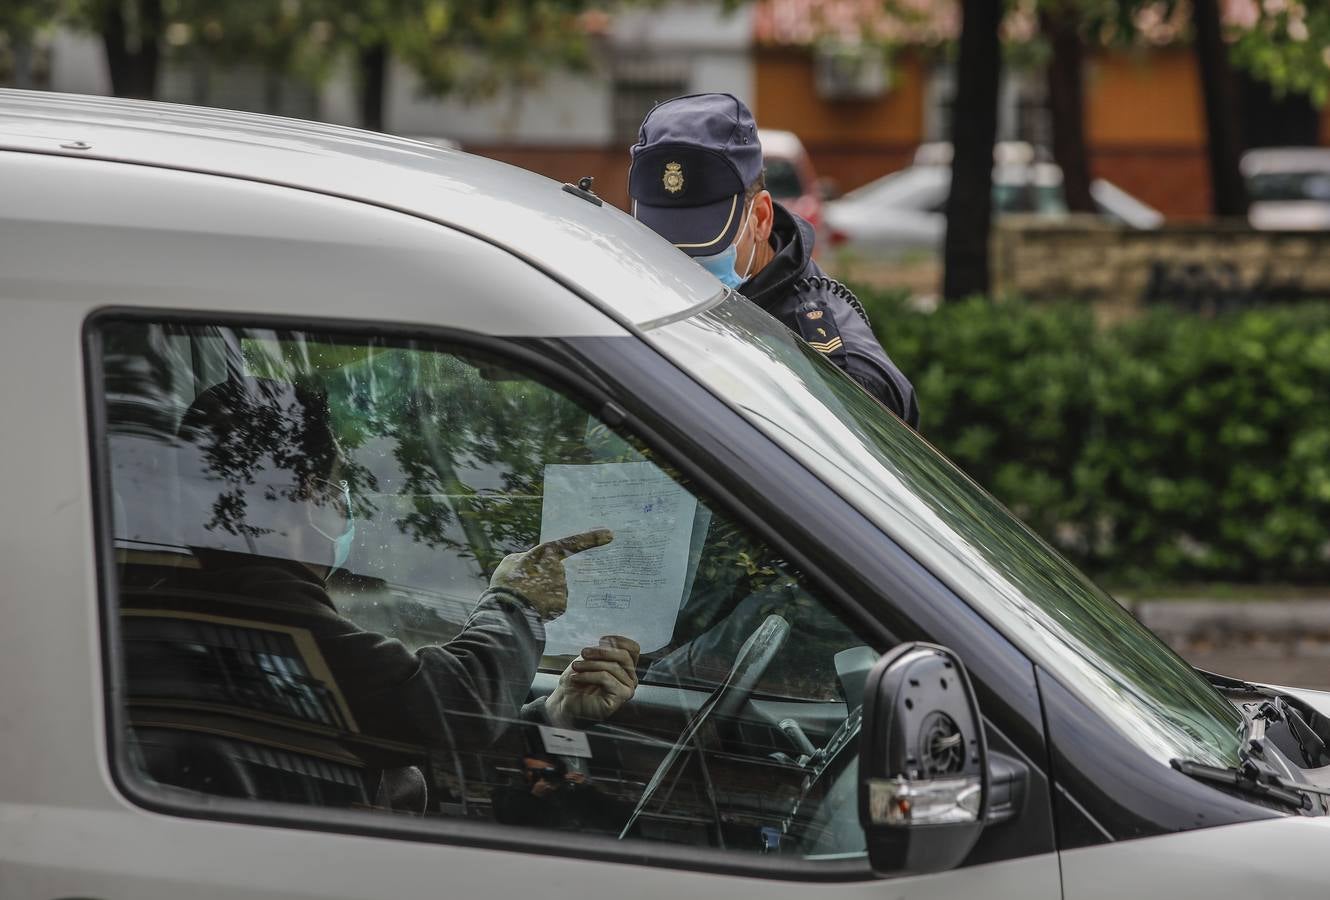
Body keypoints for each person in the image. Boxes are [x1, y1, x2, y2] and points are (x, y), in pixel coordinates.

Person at [124, 376, 638, 809]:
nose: (345, 505)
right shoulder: (255, 607)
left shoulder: (197, 586)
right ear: (310, 497)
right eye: (339, 485)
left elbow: (397, 722)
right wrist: (515, 603)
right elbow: (441, 707)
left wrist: (556, 717)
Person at [628, 92, 919, 428]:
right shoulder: (626, 302)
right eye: (662, 244)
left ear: (762, 218)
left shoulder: (832, 368)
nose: (679, 264)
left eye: (701, 244)